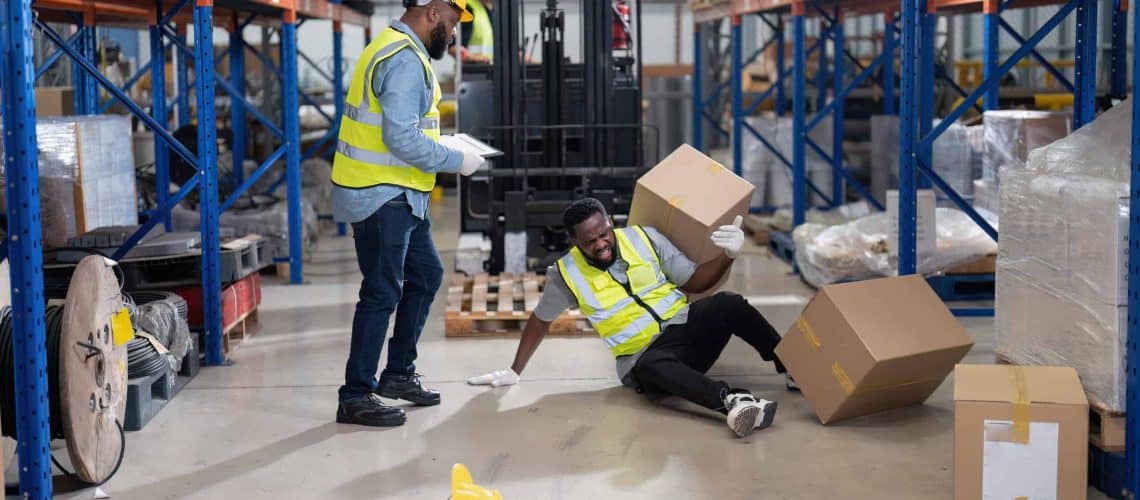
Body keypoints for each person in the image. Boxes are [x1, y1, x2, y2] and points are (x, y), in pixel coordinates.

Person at [468, 198, 793, 438]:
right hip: (647, 358)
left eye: (603, 234)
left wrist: (728, 256)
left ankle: (793, 366)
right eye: (590, 241)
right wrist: (515, 370)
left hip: (686, 331)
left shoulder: (644, 239)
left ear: (610, 223)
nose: (601, 244)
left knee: (727, 303)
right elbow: (540, 320)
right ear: (575, 241)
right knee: (650, 366)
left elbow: (696, 283)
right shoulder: (565, 274)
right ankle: (733, 402)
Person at [331, 0, 484, 428]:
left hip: (401, 192)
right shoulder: (403, 60)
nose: (453, 34)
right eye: (452, 23)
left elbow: (409, 127)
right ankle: (355, 395)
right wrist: (457, 161)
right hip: (380, 195)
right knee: (382, 291)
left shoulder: (400, 48)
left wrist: (449, 144)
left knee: (427, 275)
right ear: (433, 11)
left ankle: (397, 374)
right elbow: (400, 138)